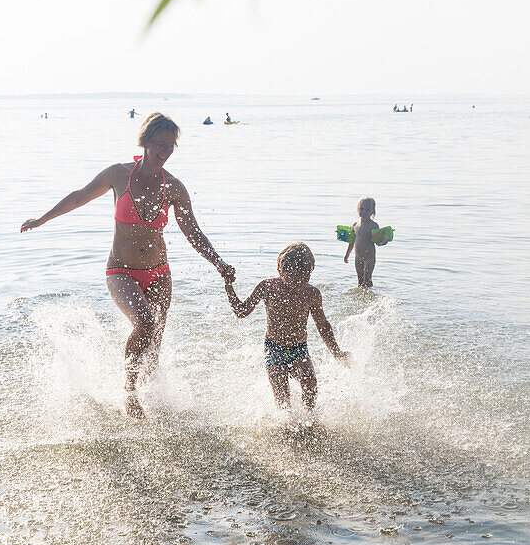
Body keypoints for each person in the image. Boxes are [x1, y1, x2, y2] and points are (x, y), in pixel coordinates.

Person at [20, 111, 234, 418]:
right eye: (160, 143)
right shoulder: (118, 175)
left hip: (160, 273)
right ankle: (130, 395)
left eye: (170, 145)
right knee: (145, 323)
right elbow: (80, 197)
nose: (165, 151)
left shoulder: (173, 187)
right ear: (145, 142)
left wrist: (218, 262)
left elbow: (193, 232)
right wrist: (41, 220)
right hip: (120, 270)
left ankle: (157, 402)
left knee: (155, 342)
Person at [224, 242, 348, 411]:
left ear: (311, 273)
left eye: (304, 277)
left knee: (310, 382)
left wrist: (336, 352)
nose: (299, 282)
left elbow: (323, 326)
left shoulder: (312, 293)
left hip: (299, 348)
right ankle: (285, 426)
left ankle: (310, 422)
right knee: (282, 397)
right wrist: (229, 286)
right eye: (293, 277)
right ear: (280, 271)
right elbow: (241, 311)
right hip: (274, 349)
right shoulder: (267, 287)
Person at [343, 196, 380, 288]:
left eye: (367, 210)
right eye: (361, 209)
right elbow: (351, 242)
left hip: (369, 258)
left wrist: (385, 239)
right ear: (357, 209)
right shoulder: (355, 225)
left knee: (367, 279)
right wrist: (347, 254)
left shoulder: (373, 225)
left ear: (372, 212)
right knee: (360, 281)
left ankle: (370, 294)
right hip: (358, 257)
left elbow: (378, 242)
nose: (364, 212)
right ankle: (361, 299)